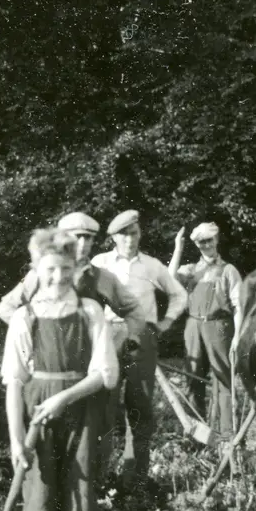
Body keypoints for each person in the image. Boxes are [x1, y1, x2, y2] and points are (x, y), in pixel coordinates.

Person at [2, 228, 118, 511]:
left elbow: (106, 374)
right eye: (49, 269)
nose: (57, 278)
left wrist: (64, 398)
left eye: (65, 269)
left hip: (82, 415)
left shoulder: (90, 312)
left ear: (75, 270)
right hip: (37, 422)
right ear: (36, 269)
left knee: (79, 505)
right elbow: (14, 384)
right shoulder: (24, 318)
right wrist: (17, 440)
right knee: (37, 509)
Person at [0, 211, 146, 492]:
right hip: (46, 374)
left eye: (89, 238)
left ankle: (99, 494)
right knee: (44, 465)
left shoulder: (103, 278)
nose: (83, 244)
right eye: (76, 237)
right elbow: (6, 308)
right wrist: (35, 338)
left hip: (93, 375)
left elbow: (133, 311)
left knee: (95, 440)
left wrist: (127, 339)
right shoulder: (39, 274)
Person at [90, 210, 187, 492]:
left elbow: (179, 294)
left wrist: (166, 322)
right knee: (103, 404)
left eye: (133, 233)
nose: (129, 239)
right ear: (113, 238)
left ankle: (134, 481)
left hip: (141, 337)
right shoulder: (100, 263)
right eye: (123, 234)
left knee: (140, 404)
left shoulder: (152, 266)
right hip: (107, 335)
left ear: (140, 234)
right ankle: (98, 478)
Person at [168, 222, 244, 443]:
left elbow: (239, 306)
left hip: (219, 326)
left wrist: (237, 336)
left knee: (223, 377)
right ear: (197, 245)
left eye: (210, 240)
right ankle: (195, 433)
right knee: (193, 376)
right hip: (193, 326)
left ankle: (227, 435)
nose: (207, 245)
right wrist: (178, 248)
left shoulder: (229, 270)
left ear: (217, 240)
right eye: (202, 242)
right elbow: (169, 279)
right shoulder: (191, 270)